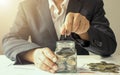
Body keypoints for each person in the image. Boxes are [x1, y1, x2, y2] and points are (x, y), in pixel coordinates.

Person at [2, 0, 117, 73]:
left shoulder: (92, 3)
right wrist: (33, 54)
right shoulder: (27, 6)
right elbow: (10, 40)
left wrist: (84, 32)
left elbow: (110, 46)